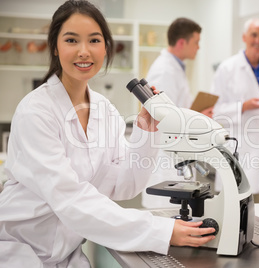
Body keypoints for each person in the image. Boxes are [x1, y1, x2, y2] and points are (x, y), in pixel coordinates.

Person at [0, 1, 215, 267]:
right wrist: (160, 230)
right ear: (55, 47)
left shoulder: (104, 109)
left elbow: (122, 185)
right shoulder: (36, 111)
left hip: (67, 255)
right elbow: (70, 199)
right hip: (18, 253)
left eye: (94, 40)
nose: (83, 51)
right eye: (71, 40)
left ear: (105, 47)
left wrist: (146, 134)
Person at [210, 18, 259, 203]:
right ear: (244, 37)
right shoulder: (227, 69)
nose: (258, 41)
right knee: (237, 214)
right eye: (254, 35)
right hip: (240, 151)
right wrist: (243, 107)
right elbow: (214, 111)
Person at [142, 17, 213, 208]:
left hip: (175, 153)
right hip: (166, 156)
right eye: (196, 42)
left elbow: (176, 110)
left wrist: (198, 115)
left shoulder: (176, 68)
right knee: (165, 213)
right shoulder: (165, 70)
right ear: (182, 42)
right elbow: (164, 118)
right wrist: (198, 118)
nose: (198, 47)